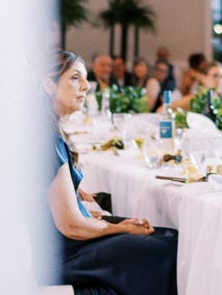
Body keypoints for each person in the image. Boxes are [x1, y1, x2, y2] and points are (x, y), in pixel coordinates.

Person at [43, 50, 178, 295]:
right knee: (164, 246)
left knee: (162, 236)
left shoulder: (46, 131)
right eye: (75, 78)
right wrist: (122, 228)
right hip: (64, 253)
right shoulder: (47, 139)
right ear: (49, 85)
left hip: (64, 245)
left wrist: (74, 191)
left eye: (85, 78)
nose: (85, 86)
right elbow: (71, 225)